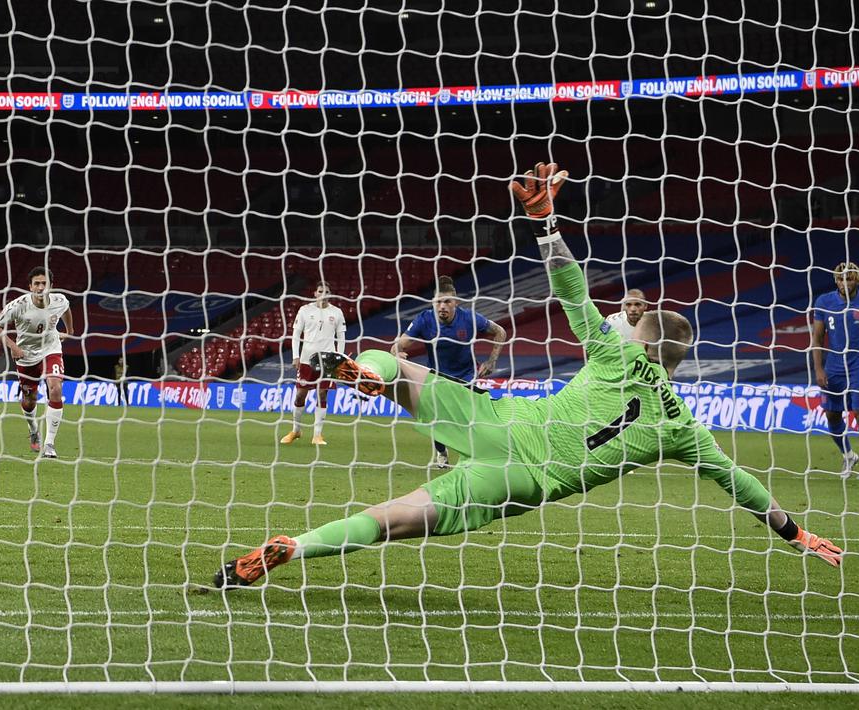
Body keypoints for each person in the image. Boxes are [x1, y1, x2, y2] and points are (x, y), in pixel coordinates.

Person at [213, 161, 842, 589]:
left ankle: (368, 372)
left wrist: (545, 221)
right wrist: (797, 532)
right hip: (522, 478)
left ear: (643, 338)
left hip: (499, 421)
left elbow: (570, 289)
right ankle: (297, 547)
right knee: (395, 519)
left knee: (400, 366)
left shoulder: (613, 354)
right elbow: (742, 483)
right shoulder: (682, 427)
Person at [394, 276, 507, 468]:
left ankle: (474, 457)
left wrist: (491, 361)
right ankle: (441, 453)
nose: (442, 306)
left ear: (456, 302)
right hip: (437, 377)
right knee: (437, 420)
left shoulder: (469, 318)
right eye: (438, 302)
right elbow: (399, 344)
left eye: (447, 301)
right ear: (433, 303)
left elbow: (500, 332)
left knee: (469, 420)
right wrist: (398, 352)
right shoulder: (424, 319)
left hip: (466, 377)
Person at [0, 266, 73, 457]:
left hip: (51, 349)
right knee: (29, 400)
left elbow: (66, 310)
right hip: (26, 356)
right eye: (37, 283)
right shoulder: (18, 305)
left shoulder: (59, 300)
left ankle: (49, 444)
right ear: (30, 286)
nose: (41, 287)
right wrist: (14, 347)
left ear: (51, 285)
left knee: (56, 388)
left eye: (44, 283)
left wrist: (70, 330)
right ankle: (33, 429)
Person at [281, 281, 346, 446]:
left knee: (322, 394)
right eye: (320, 291)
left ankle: (317, 435)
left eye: (327, 291)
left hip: (328, 360)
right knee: (300, 394)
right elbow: (296, 335)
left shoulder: (337, 312)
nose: (323, 294)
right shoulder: (305, 310)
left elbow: (341, 338)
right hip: (306, 360)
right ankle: (296, 430)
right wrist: (296, 356)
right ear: (315, 293)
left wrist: (339, 358)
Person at [811, 261, 859, 476]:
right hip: (834, 368)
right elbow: (818, 338)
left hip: (858, 366)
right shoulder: (824, 301)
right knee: (832, 414)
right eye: (841, 278)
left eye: (849, 278)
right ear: (836, 281)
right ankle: (848, 455)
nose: (844, 282)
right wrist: (819, 370)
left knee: (858, 411)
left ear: (856, 279)